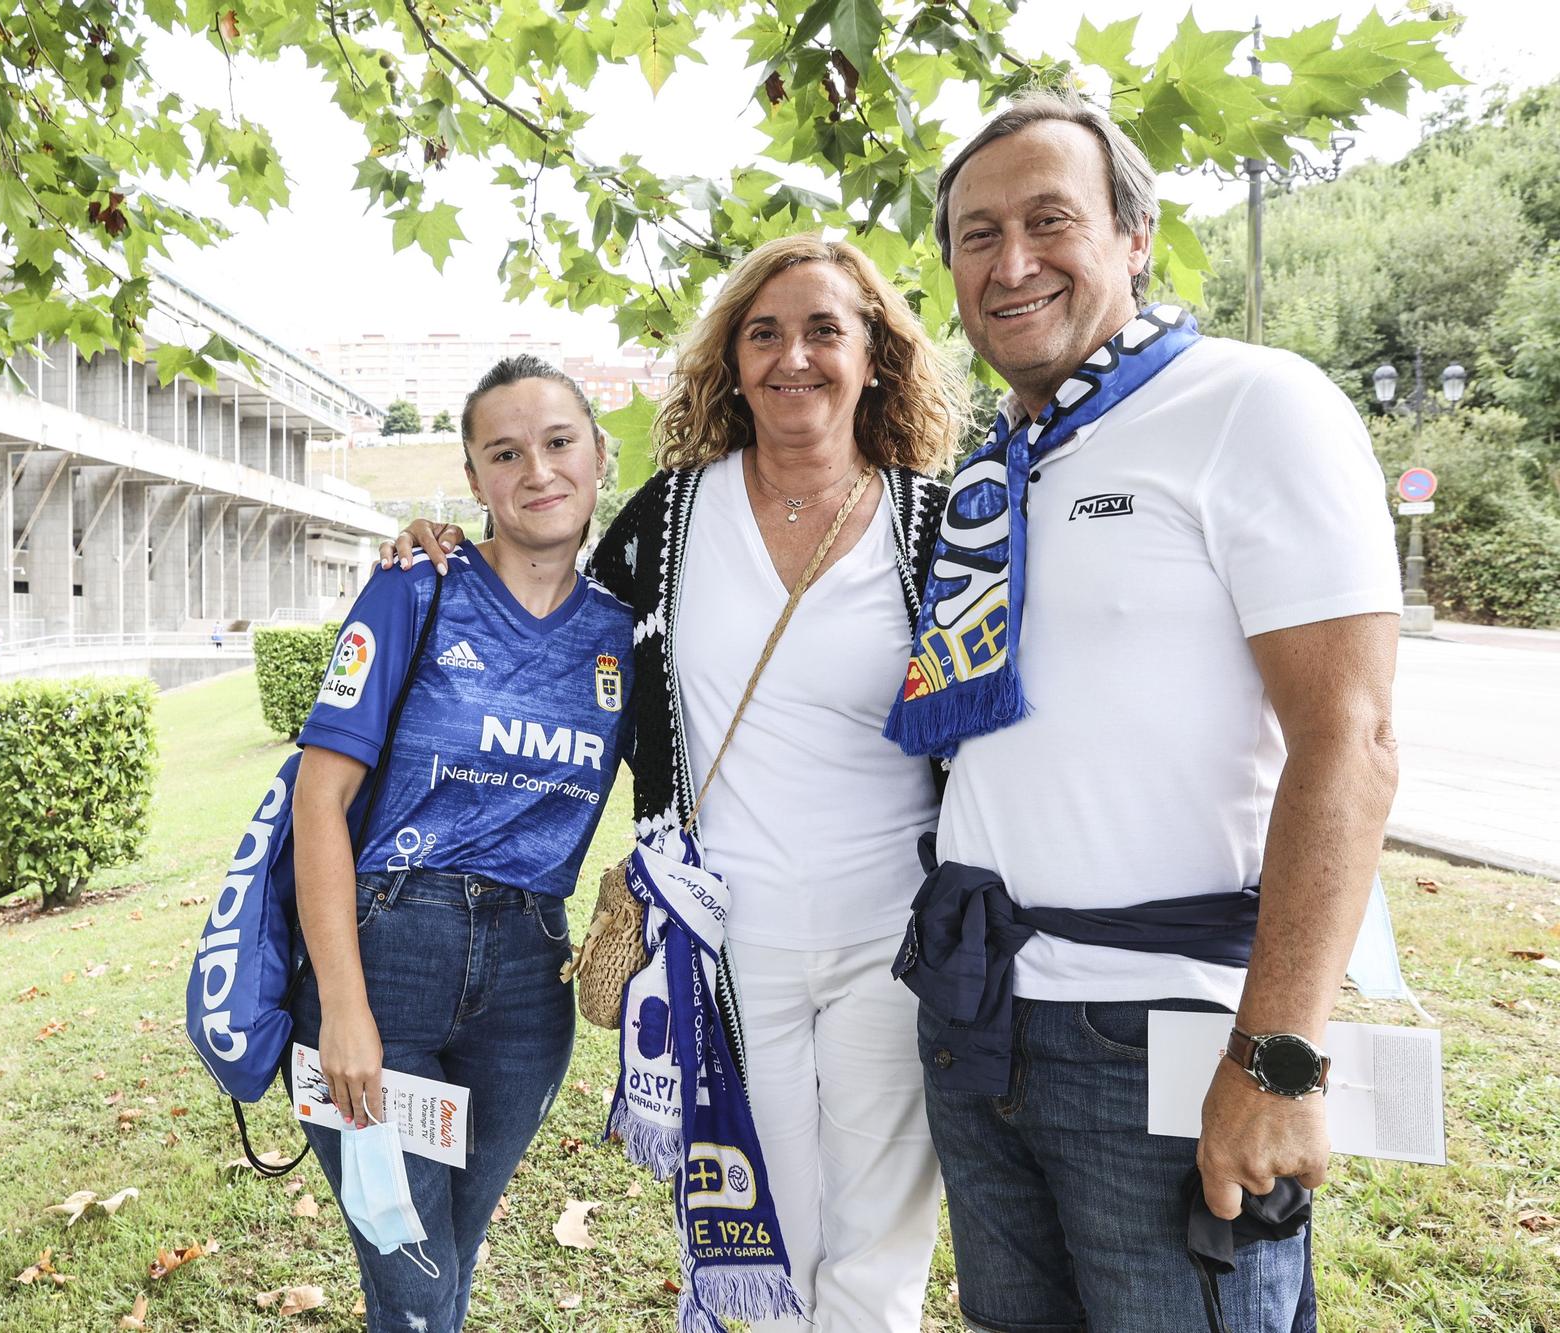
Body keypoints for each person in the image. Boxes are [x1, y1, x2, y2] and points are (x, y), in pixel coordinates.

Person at [884, 90, 1400, 1333]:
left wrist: (1275, 1056)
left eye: (1049, 219)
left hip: (1162, 1037)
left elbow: (1353, 740)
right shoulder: (992, 473)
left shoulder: (1249, 405)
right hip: (977, 1014)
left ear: (1132, 237)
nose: (1009, 263)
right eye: (974, 234)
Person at [390, 234, 968, 1331]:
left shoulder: (934, 526)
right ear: (731, 362)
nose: (791, 356)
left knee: (880, 1244)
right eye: (763, 333)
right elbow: (546, 612)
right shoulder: (670, 516)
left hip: (890, 936)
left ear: (875, 357)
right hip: (724, 941)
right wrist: (446, 553)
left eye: (822, 330)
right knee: (770, 1227)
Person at [291, 356, 633, 1332]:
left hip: (529, 991)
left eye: (558, 442)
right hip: (385, 961)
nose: (537, 470)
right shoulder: (416, 589)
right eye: (504, 452)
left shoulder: (623, 633)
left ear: (597, 456)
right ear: (476, 477)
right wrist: (345, 1015)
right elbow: (321, 802)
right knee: (408, 1277)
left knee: (447, 1258)